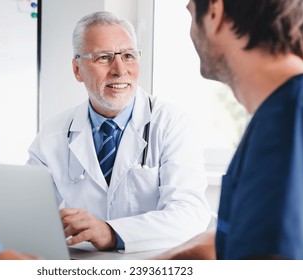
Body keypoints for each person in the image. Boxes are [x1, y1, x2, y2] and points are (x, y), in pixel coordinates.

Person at [24, 10, 210, 253]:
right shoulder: (54, 133)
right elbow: (27, 211)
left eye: (129, 56)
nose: (120, 70)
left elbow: (190, 216)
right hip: (82, 265)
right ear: (77, 69)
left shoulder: (172, 124)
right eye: (104, 57)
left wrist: (111, 232)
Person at [155, 0, 303, 260]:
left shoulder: (286, 123)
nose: (191, 32)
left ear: (215, 12)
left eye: (191, 13)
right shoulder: (288, 110)